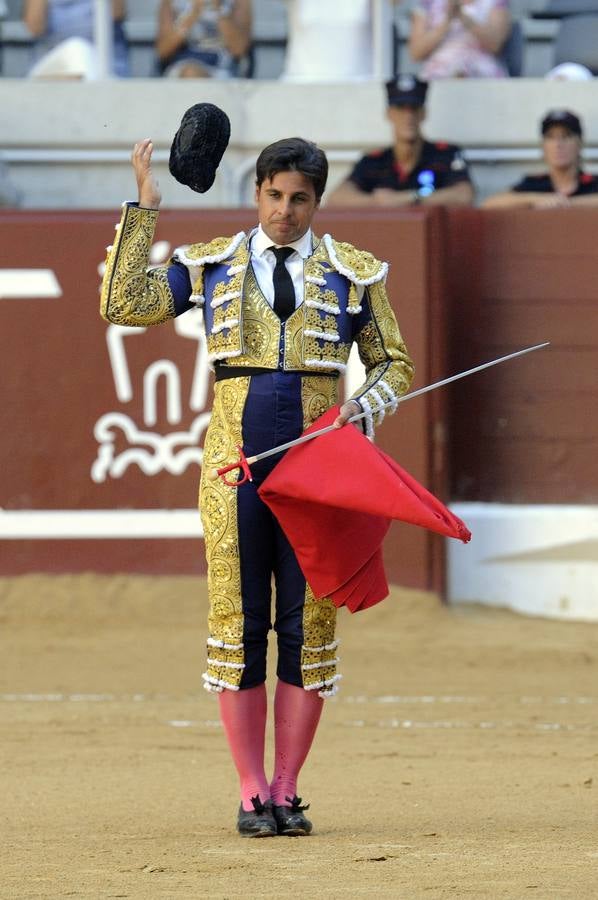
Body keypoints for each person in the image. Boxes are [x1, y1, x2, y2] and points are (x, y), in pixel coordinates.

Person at [100, 131, 414, 838]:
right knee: (240, 627)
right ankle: (249, 792)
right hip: (233, 469)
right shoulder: (211, 264)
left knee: (308, 626)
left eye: (299, 199)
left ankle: (287, 788)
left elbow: (395, 362)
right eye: (274, 196)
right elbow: (124, 306)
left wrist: (366, 401)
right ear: (257, 193)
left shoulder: (353, 272)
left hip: (317, 474)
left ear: (316, 202)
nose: (285, 211)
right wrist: (144, 208)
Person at [327, 76, 474, 208]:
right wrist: (377, 201)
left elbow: (464, 195)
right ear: (389, 114)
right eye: (401, 108)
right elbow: (336, 198)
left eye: (414, 109)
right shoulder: (374, 160)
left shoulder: (445, 154)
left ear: (423, 113)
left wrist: (410, 198)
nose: (408, 116)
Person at [483, 109, 598, 209]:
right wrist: (534, 199)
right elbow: (489, 204)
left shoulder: (592, 182)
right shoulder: (534, 184)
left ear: (579, 143)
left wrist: (564, 203)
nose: (558, 144)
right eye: (551, 137)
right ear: (543, 146)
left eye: (566, 136)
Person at [23, 0, 130, 79]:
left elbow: (117, 13)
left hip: (105, 68)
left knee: (79, 51)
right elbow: (35, 28)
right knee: (76, 49)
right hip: (52, 69)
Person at [408, 0, 511, 79]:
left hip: (482, 71)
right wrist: (447, 21)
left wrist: (462, 16)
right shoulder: (428, 2)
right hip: (439, 71)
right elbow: (416, 53)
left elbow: (495, 44)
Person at [155, 0, 252, 78]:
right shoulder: (171, 3)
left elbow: (239, 50)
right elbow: (163, 51)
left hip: (223, 68)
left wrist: (218, 10)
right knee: (190, 72)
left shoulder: (239, 2)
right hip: (182, 66)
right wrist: (193, 14)